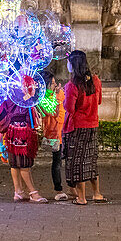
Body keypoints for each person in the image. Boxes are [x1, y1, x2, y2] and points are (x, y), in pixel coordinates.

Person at [0, 80, 46, 203]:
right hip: (21, 130)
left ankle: (18, 191)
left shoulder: (6, 89)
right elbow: (25, 109)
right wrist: (28, 96)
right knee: (23, 163)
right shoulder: (19, 91)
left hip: (11, 130)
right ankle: (33, 192)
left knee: (15, 163)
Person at [63, 50, 105, 206]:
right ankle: (97, 194)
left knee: (77, 162)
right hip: (93, 125)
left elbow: (70, 108)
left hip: (77, 127)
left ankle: (81, 197)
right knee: (91, 160)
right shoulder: (95, 81)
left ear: (73, 64)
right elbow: (99, 101)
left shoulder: (72, 85)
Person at [40, 73, 75, 202]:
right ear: (47, 85)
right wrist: (56, 96)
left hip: (66, 130)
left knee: (70, 160)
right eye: (52, 83)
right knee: (57, 163)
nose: (55, 85)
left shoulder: (60, 94)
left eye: (55, 82)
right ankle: (58, 190)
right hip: (54, 134)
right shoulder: (42, 99)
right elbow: (53, 112)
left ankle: (72, 188)